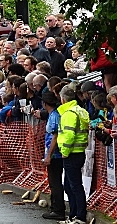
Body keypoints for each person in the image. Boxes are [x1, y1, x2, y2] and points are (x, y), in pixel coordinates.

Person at [57, 86, 90, 224]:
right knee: (70, 185)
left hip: (71, 153)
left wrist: (64, 152)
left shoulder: (69, 114)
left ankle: (79, 216)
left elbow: (69, 135)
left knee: (74, 186)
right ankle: (73, 215)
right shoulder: (80, 111)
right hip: (79, 152)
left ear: (63, 99)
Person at [41, 91, 66, 221]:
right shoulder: (54, 115)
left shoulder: (54, 116)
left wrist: (49, 155)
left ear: (45, 103)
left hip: (55, 155)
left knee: (55, 182)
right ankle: (55, 207)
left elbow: (55, 137)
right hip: (54, 153)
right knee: (53, 182)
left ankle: (58, 209)